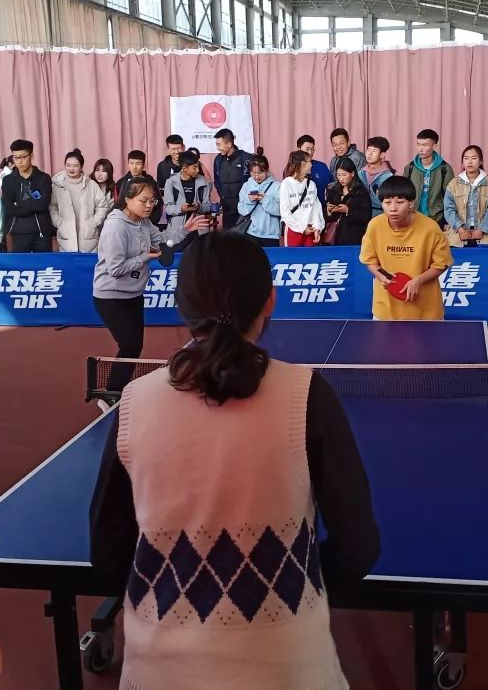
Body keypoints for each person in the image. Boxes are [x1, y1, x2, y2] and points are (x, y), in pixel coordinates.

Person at [89, 230, 379, 689]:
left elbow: (107, 556)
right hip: (293, 672)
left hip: (158, 674)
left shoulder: (134, 401)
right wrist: (289, 587)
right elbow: (358, 546)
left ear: (181, 306)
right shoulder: (307, 395)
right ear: (270, 300)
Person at [92, 177, 207, 396]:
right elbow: (115, 269)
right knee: (130, 345)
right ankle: (111, 393)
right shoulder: (116, 227)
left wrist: (185, 229)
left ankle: (115, 390)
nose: (148, 206)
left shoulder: (142, 222)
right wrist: (145, 257)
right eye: (143, 200)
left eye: (152, 201)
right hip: (110, 297)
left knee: (134, 346)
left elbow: (162, 240)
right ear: (127, 199)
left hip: (134, 294)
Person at [360, 176, 453, 321]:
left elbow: (441, 264)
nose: (393, 208)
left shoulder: (430, 228)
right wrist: (382, 276)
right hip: (385, 311)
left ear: (411, 203)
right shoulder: (374, 226)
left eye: (400, 202)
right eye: (387, 202)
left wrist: (418, 281)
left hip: (426, 312)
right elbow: (369, 261)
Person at [50, 149, 111, 253]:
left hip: (88, 239)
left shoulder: (91, 185)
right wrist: (58, 222)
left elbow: (102, 206)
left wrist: (94, 222)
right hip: (66, 237)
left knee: (89, 263)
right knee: (67, 262)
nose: (71, 169)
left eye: (75, 166)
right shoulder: (57, 185)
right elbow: (52, 206)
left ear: (81, 167)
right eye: (68, 165)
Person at [443, 145, 488, 247]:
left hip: (486, 237)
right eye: (466, 158)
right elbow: (449, 209)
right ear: (462, 162)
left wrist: (482, 229)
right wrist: (460, 230)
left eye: (474, 158)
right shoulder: (453, 184)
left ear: (481, 161)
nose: (470, 162)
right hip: (458, 237)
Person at [1, 139, 54, 252]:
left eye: (23, 157)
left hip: (41, 231)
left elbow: (43, 205)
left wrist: (19, 203)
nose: (19, 161)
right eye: (15, 157)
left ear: (31, 155)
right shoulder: (8, 180)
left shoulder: (43, 178)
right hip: (18, 232)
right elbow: (8, 208)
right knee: (20, 263)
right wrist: (33, 205)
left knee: (44, 263)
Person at [402, 129, 454, 228]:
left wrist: (446, 220)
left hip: (436, 218)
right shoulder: (410, 167)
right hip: (413, 217)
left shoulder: (445, 168)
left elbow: (450, 197)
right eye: (418, 144)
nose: (420, 149)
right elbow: (404, 193)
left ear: (434, 146)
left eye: (425, 145)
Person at [163, 150, 214, 250]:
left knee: (200, 255)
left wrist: (199, 206)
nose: (197, 170)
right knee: (177, 256)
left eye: (198, 167)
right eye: (194, 167)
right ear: (184, 168)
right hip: (178, 229)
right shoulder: (171, 182)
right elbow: (167, 208)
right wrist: (181, 208)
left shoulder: (203, 181)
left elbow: (208, 206)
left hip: (199, 228)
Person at [280, 150, 325, 247]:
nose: (311, 165)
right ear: (301, 163)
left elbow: (316, 208)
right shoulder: (286, 183)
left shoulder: (311, 184)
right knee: (292, 256)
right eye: (309, 162)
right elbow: (285, 211)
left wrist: (317, 227)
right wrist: (301, 228)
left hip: (310, 230)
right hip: (294, 230)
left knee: (311, 256)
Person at [324, 157, 371, 246]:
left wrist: (347, 210)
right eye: (338, 175)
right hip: (334, 237)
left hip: (353, 237)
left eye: (344, 175)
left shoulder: (361, 192)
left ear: (352, 173)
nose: (341, 178)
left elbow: (366, 215)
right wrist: (328, 211)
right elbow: (325, 215)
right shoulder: (333, 191)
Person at [236, 156, 282, 247]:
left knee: (271, 256)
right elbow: (241, 210)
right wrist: (250, 201)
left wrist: (265, 200)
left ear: (267, 170)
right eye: (253, 173)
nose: (256, 176)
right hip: (250, 233)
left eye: (260, 173)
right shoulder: (246, 186)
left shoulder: (277, 186)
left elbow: (281, 211)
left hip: (271, 235)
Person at [213, 128, 253, 230]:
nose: (218, 148)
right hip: (227, 209)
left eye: (219, 145)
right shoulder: (218, 160)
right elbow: (217, 181)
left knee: (243, 237)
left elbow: (253, 181)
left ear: (229, 144)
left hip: (244, 208)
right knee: (228, 237)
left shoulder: (246, 159)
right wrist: (222, 196)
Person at [358, 137, 394, 218]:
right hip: (360, 215)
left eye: (374, 151)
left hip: (380, 215)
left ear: (382, 154)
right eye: (368, 150)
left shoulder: (388, 176)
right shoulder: (360, 173)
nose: (369, 154)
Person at [297, 134, 333, 207]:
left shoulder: (322, 167)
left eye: (312, 149)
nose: (310, 152)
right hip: (300, 211)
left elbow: (331, 187)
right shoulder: (292, 170)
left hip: (321, 209)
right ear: (299, 149)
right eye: (307, 149)